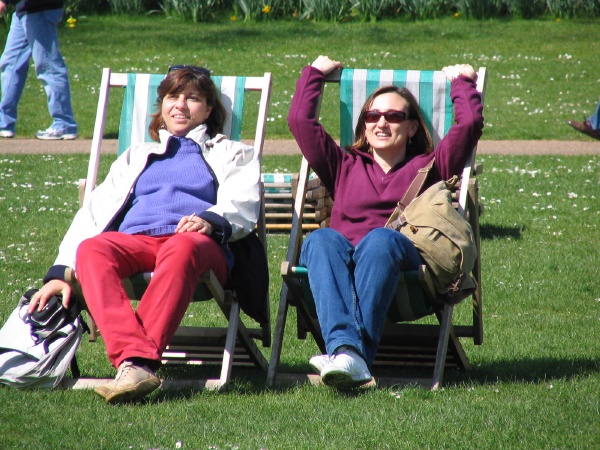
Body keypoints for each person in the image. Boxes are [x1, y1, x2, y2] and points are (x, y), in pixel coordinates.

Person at [26, 66, 261, 403]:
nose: (180, 105)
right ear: (161, 105)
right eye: (172, 97)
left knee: (181, 247)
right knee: (93, 249)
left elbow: (243, 199)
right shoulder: (136, 156)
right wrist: (60, 271)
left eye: (192, 98)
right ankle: (137, 362)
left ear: (208, 110)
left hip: (197, 243)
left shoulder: (232, 152)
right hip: (137, 241)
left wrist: (211, 220)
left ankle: (134, 362)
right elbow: (94, 212)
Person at [287, 56, 484, 389]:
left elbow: (468, 127)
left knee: (380, 239)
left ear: (411, 127)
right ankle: (351, 355)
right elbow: (300, 122)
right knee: (320, 240)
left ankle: (344, 351)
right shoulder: (343, 163)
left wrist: (461, 83)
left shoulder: (431, 166)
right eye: (372, 115)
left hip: (401, 264)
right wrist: (314, 75)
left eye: (394, 116)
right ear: (364, 124)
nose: (381, 123)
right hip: (339, 262)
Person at [0, 0, 77, 140]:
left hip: (40, 7)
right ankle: (4, 123)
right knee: (10, 63)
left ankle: (64, 124)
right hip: (25, 9)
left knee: (48, 65)